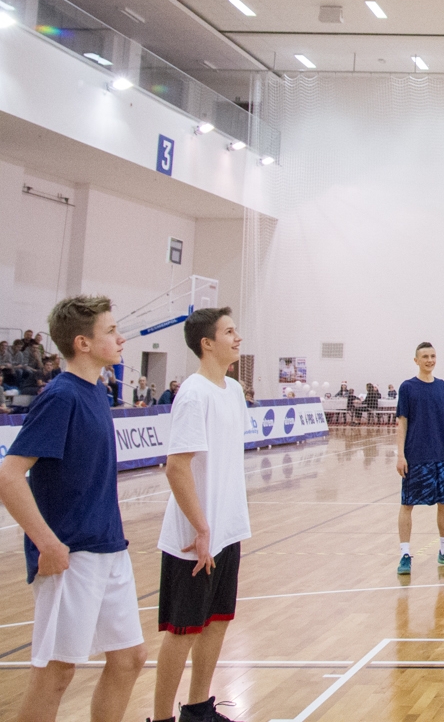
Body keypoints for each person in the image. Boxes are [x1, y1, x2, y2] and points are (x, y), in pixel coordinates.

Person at [0, 296, 145, 722]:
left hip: (109, 547)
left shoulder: (96, 391)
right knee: (56, 674)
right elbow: (9, 476)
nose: (120, 338)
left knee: (129, 659)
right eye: (111, 331)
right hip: (71, 554)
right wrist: (47, 543)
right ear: (82, 343)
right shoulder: (61, 397)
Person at [153, 308, 252, 722]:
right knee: (183, 630)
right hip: (193, 536)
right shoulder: (193, 394)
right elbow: (176, 467)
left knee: (217, 621)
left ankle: (197, 710)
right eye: (229, 331)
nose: (238, 337)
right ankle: (161, 717)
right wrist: (201, 526)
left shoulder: (233, 390)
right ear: (207, 343)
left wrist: (221, 525)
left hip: (226, 530)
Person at [395, 342, 444, 575]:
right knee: (407, 504)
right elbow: (402, 422)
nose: (430, 360)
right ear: (416, 360)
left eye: (433, 356)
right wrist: (401, 455)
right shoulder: (407, 387)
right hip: (416, 456)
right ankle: (404, 555)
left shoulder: (443, 387)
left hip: (441, 455)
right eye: (425, 356)